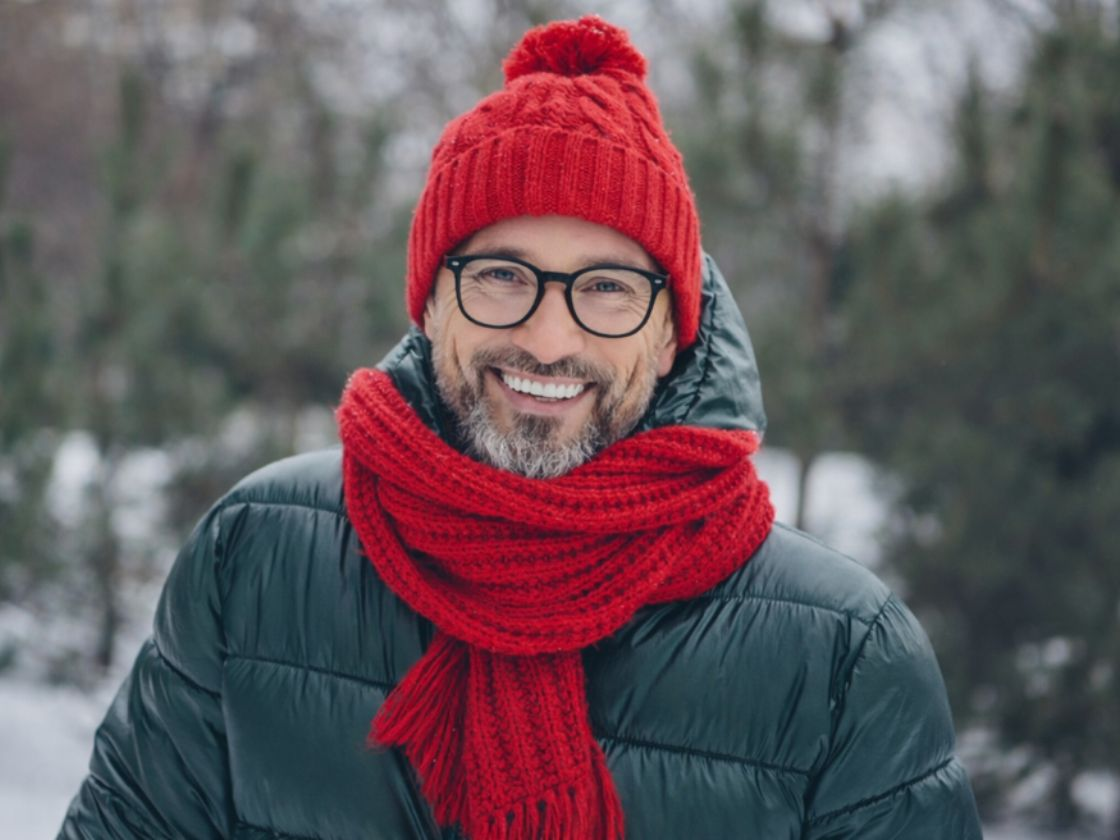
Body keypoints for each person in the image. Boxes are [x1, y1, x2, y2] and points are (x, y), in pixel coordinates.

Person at [59, 15, 983, 840]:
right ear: (431, 299)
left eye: (608, 288)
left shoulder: (841, 653)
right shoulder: (258, 553)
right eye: (502, 274)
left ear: (672, 331)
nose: (547, 337)